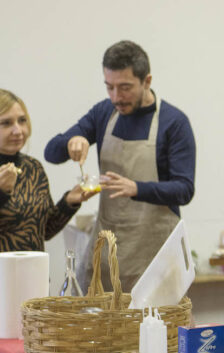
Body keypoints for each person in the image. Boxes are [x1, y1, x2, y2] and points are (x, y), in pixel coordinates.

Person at [44, 41, 196, 292]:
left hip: (155, 252)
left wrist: (136, 188)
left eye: (125, 88)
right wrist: (72, 141)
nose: (116, 97)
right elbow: (51, 152)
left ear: (147, 81)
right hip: (108, 246)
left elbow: (184, 189)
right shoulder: (105, 112)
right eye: (109, 87)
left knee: (155, 327)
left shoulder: (174, 123)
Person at [0, 89, 96, 252]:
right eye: (6, 123)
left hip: (34, 272)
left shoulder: (33, 168)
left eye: (22, 121)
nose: (18, 131)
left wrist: (69, 202)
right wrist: (2, 192)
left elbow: (44, 231)